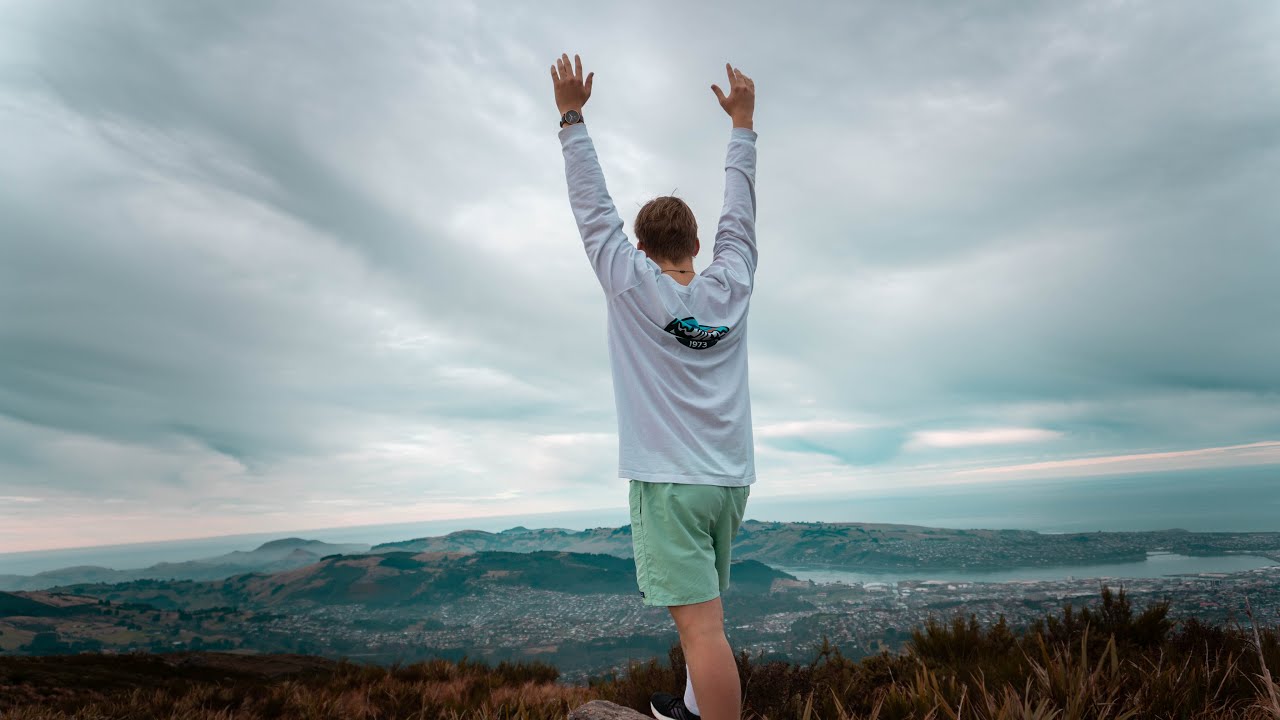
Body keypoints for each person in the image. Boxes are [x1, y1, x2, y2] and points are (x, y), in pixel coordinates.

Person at [551, 53, 758, 720]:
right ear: (699, 241)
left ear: (639, 247)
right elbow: (742, 214)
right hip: (728, 478)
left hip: (670, 483)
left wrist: (571, 117)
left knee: (701, 632)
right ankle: (692, 711)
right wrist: (742, 126)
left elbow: (591, 210)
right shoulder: (732, 283)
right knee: (709, 621)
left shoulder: (629, 282)